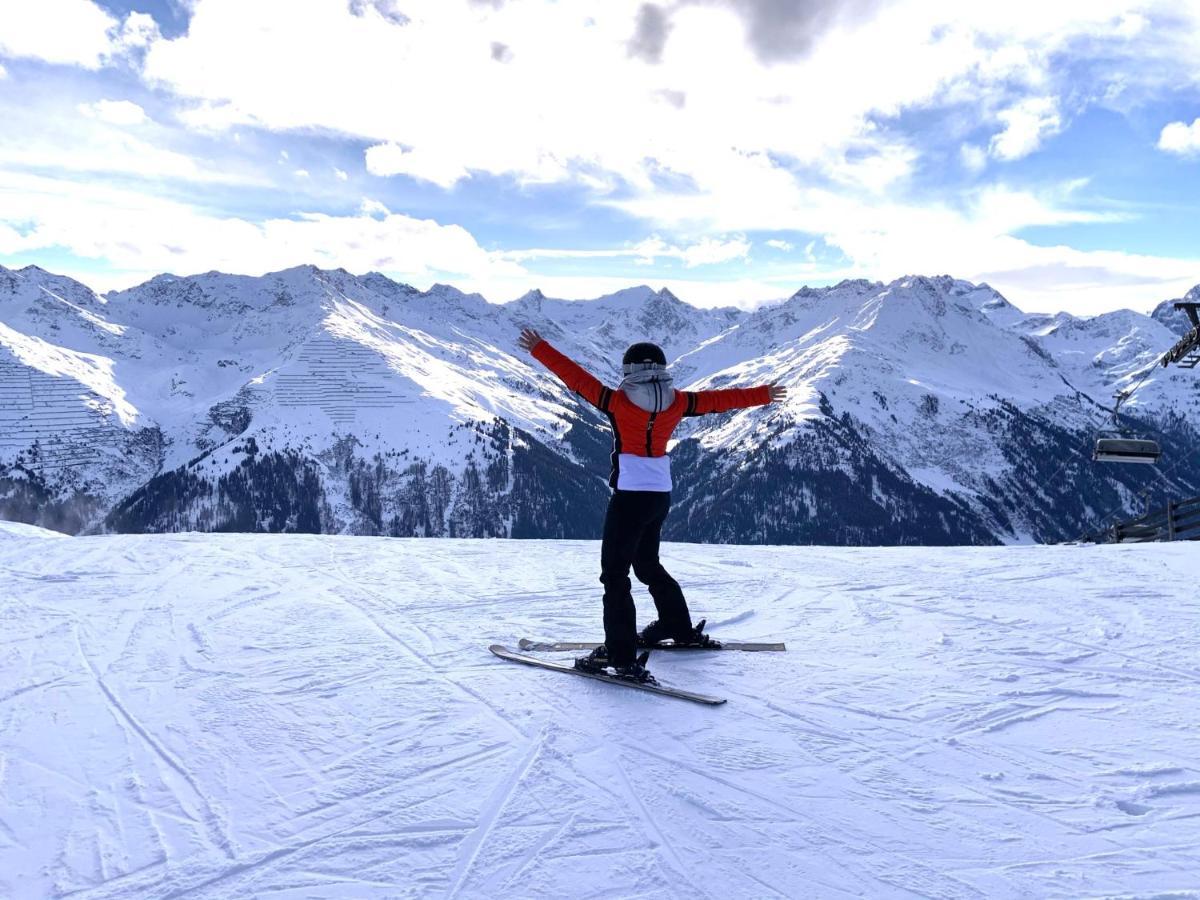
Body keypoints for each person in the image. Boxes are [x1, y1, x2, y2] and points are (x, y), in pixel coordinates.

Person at [518, 327, 787, 683]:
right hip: (660, 495)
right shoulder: (679, 402)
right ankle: (678, 626)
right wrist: (763, 395)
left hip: (629, 496)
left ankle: (620, 655)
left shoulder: (615, 401)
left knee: (615, 575)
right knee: (646, 564)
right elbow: (720, 400)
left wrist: (540, 348)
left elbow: (576, 378)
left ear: (628, 371)